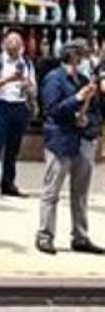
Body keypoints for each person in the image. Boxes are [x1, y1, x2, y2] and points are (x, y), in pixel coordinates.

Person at [36, 39, 105, 256]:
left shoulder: (84, 79)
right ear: (73, 56)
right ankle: (45, 235)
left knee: (81, 193)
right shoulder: (54, 79)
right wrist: (76, 99)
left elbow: (94, 111)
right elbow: (52, 110)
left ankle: (80, 236)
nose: (85, 59)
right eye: (83, 55)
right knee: (51, 191)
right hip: (60, 141)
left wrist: (87, 121)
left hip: (83, 140)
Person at [0, 30, 36, 197]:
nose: (14, 46)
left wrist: (27, 86)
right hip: (1, 105)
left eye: (18, 42)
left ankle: (8, 183)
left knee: (13, 148)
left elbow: (34, 89)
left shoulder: (27, 63)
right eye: (11, 42)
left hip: (19, 106)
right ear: (4, 44)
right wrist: (10, 79)